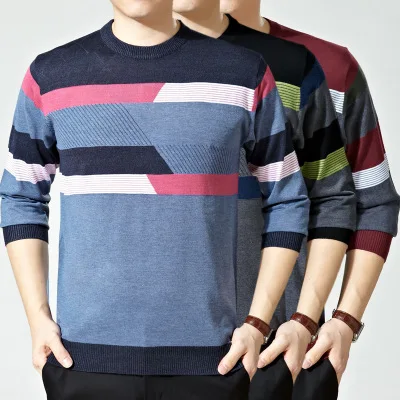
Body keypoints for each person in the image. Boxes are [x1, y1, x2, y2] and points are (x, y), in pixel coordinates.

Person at [0, 0, 311, 399]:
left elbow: (287, 200)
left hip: (213, 362)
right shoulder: (51, 76)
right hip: (82, 361)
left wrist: (257, 324)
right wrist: (37, 318)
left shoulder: (242, 73)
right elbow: (20, 195)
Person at [173, 0, 357, 398]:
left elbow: (337, 198)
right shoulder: (94, 72)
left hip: (274, 350)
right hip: (139, 356)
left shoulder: (286, 66)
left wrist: (313, 319)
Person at [218, 0, 400, 398]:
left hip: (284, 349)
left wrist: (344, 321)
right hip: (169, 350)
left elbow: (374, 201)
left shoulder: (325, 68)